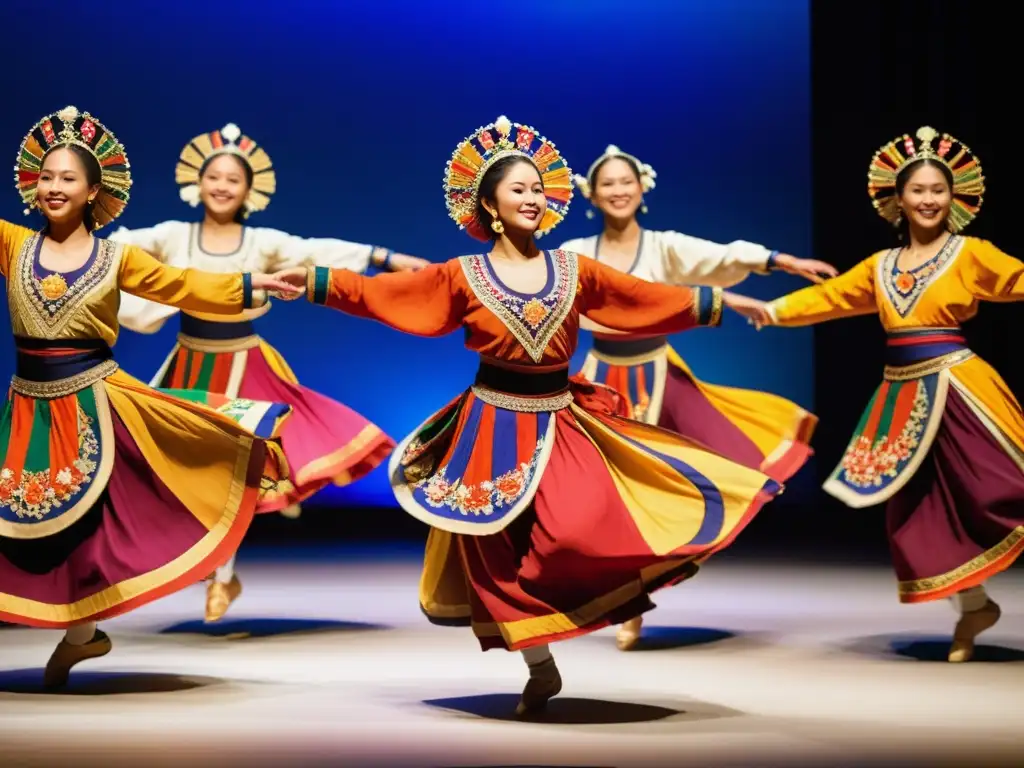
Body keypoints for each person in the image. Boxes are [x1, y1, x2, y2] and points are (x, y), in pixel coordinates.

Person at [271, 115, 783, 716]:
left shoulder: (573, 269)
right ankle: (539, 665)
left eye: (538, 190)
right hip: (491, 425)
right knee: (493, 550)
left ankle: (599, 610)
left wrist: (721, 302)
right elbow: (391, 294)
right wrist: (316, 284)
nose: (532, 199)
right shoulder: (462, 275)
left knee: (573, 529)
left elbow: (642, 297)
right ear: (489, 204)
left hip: (561, 417)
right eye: (519, 190)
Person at [0, 105, 302, 686]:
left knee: (94, 524)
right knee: (24, 517)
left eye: (68, 178)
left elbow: (183, 283)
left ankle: (81, 634)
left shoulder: (116, 257)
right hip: (29, 405)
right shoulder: (13, 244)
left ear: (94, 192)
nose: (55, 186)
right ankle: (81, 635)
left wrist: (247, 284)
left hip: (95, 400)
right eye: (47, 176)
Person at [109, 122, 427, 620]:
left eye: (233, 179)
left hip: (245, 365)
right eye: (214, 176)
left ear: (248, 191)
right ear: (197, 182)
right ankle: (218, 573)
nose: (222, 186)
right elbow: (121, 246)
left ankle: (220, 575)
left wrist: (382, 258)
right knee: (181, 471)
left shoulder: (262, 242)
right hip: (189, 367)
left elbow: (317, 250)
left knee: (233, 472)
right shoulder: (173, 237)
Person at [747, 126, 1017, 663]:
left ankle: (974, 604)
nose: (928, 200)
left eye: (937, 190)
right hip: (903, 397)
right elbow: (832, 296)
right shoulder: (881, 266)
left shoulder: (970, 253)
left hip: (962, 389)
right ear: (898, 200)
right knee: (920, 510)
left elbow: (1017, 279)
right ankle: (975, 604)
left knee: (992, 488)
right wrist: (774, 311)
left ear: (954, 197)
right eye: (917, 190)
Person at [560, 145, 838, 649]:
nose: (619, 190)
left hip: (661, 376)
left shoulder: (662, 247)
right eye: (609, 184)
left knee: (665, 485)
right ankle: (622, 598)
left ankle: (636, 595)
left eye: (627, 181)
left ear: (642, 189)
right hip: (601, 378)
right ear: (592, 195)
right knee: (606, 493)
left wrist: (780, 261)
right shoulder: (577, 251)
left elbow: (718, 257)